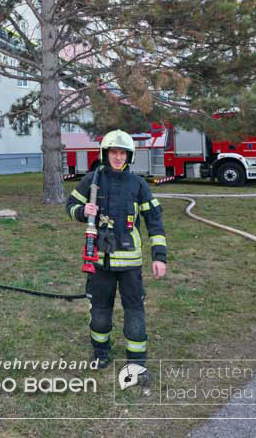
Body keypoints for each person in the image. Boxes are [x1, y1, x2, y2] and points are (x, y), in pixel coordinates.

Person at [65, 129, 168, 374]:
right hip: (99, 262)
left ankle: (137, 361)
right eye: (114, 152)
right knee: (99, 312)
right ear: (106, 153)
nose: (118, 157)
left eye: (123, 153)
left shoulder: (138, 185)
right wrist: (82, 212)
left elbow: (155, 221)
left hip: (130, 265)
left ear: (129, 156)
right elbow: (70, 205)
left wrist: (159, 257)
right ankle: (100, 353)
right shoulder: (92, 180)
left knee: (134, 311)